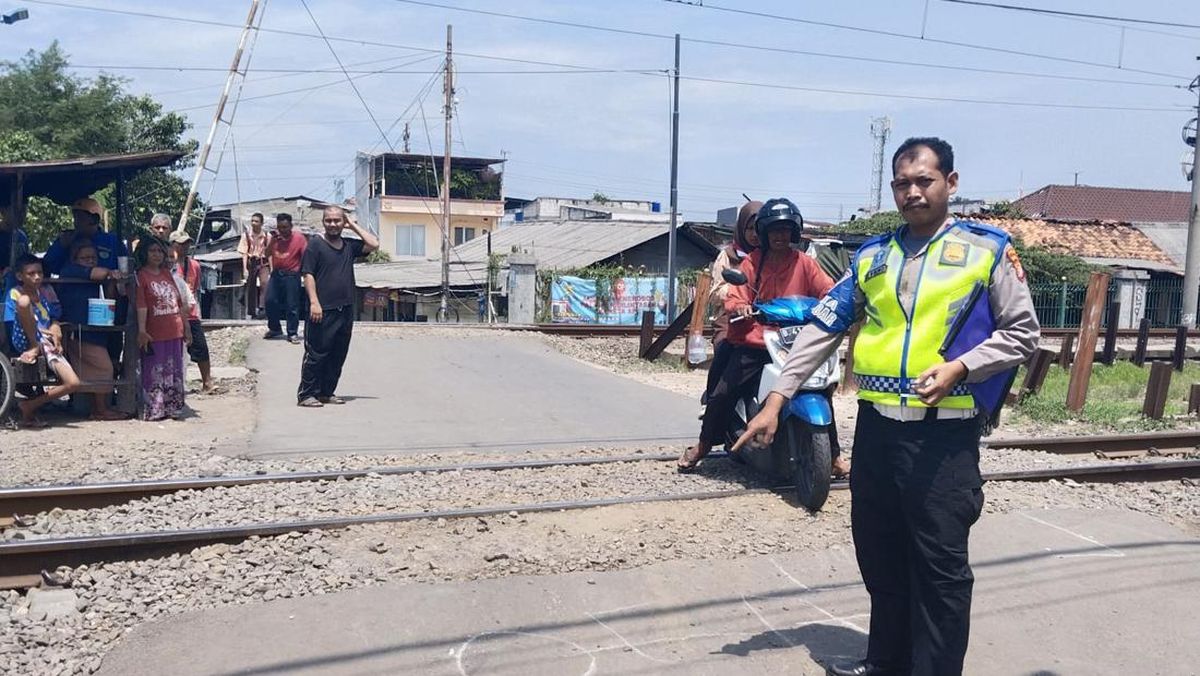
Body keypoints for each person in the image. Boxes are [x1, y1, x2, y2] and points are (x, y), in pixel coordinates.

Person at [737, 138, 1040, 676]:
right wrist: (778, 396)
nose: (913, 191)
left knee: (940, 570)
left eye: (924, 180)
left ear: (951, 182)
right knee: (880, 556)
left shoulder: (988, 250)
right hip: (878, 433)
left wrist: (961, 367)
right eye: (902, 183)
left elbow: (1022, 334)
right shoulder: (873, 256)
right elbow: (824, 325)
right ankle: (886, 663)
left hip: (943, 439)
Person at [678, 198, 837, 472]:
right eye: (774, 230)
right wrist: (742, 307)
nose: (780, 236)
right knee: (724, 392)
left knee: (821, 388)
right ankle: (703, 444)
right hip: (757, 340)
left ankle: (833, 456)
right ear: (763, 233)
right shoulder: (752, 262)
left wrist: (831, 303)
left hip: (796, 341)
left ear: (795, 232)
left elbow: (827, 289)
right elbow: (736, 295)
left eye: (786, 230)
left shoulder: (805, 263)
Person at [297, 206, 378, 407]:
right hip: (323, 310)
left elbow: (374, 244)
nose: (332, 224)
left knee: (337, 353)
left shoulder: (349, 245)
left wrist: (353, 226)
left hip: (346, 308)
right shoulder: (315, 245)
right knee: (316, 354)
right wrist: (314, 302)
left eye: (337, 221)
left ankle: (326, 392)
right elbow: (308, 275)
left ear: (343, 223)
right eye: (328, 221)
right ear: (323, 222)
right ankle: (306, 394)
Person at [5, 254, 81, 427]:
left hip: (46, 342)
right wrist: (39, 336)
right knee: (24, 302)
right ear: (20, 276)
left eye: (39, 272)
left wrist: (55, 327)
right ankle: (34, 346)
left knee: (73, 383)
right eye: (31, 273)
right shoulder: (15, 293)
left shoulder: (43, 295)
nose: (37, 277)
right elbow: (12, 324)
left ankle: (29, 405)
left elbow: (51, 318)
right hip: (23, 339)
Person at [56, 240, 126, 420]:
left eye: (93, 257)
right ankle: (101, 410)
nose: (90, 261)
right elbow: (99, 272)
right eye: (85, 257)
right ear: (75, 259)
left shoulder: (95, 279)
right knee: (104, 368)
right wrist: (111, 272)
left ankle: (97, 409)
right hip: (78, 330)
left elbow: (109, 297)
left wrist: (112, 281)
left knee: (95, 370)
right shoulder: (70, 271)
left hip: (95, 330)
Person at [702, 200, 761, 413]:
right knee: (725, 348)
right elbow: (714, 293)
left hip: (765, 319)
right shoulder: (728, 255)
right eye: (749, 228)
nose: (754, 234)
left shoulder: (773, 256)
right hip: (731, 318)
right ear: (741, 228)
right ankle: (712, 400)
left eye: (758, 228)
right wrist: (738, 295)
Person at [134, 237, 191, 421]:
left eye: (159, 251)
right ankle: (155, 408)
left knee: (173, 370)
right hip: (154, 333)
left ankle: (173, 407)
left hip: (174, 330)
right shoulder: (141, 276)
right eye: (152, 251)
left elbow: (179, 302)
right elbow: (141, 305)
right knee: (154, 371)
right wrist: (142, 330)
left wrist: (186, 327)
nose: (157, 255)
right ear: (144, 253)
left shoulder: (167, 274)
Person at [169, 230, 217, 393]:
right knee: (174, 351)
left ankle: (207, 381)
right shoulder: (169, 265)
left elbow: (194, 289)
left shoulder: (194, 265)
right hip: (171, 313)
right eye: (181, 244)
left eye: (187, 243)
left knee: (201, 347)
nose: (185, 247)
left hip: (190, 312)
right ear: (173, 245)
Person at [42, 197, 127, 275]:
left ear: (94, 219)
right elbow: (47, 266)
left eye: (81, 218)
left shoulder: (113, 241)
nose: (76, 223)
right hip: (73, 290)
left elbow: (126, 268)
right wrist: (61, 246)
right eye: (75, 218)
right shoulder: (67, 239)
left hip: (105, 289)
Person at [264, 212, 308, 343]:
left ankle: (292, 333)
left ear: (290, 226)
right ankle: (275, 328)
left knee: (292, 305)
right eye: (280, 227)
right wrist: (272, 241)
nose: (282, 230)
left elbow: (306, 256)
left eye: (285, 227)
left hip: (292, 275)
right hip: (277, 274)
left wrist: (302, 272)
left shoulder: (299, 238)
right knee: (269, 301)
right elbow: (266, 254)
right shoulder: (274, 239)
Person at [238, 212, 271, 318]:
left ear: (261, 223)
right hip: (251, 261)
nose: (253, 223)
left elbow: (270, 253)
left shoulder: (267, 235)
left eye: (256, 221)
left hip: (263, 261)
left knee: (264, 283)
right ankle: (251, 311)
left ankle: (262, 308)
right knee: (251, 286)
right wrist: (244, 269)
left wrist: (272, 268)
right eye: (252, 221)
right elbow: (244, 253)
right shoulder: (246, 235)